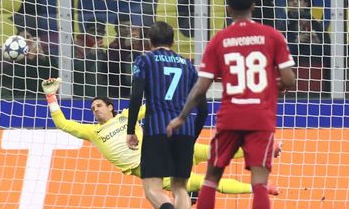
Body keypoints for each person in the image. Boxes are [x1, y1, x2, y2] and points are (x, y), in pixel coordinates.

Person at [167, 0, 296, 209]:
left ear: (227, 10)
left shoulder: (220, 40)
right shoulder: (272, 36)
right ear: (254, 6)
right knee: (259, 183)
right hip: (260, 118)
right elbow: (289, 78)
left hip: (230, 117)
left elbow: (201, 88)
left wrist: (181, 116)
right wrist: (272, 88)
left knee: (211, 179)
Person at [41, 78, 280, 195]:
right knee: (204, 183)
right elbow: (63, 124)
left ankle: (266, 150)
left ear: (110, 107)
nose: (95, 110)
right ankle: (258, 188)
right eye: (93, 109)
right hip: (152, 170)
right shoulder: (92, 132)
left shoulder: (127, 116)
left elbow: (154, 105)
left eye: (99, 106)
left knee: (214, 152)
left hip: (162, 150)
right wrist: (51, 97)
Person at [125, 21, 207, 209]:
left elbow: (136, 94)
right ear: (173, 41)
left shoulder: (145, 60)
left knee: (152, 187)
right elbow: (203, 109)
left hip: (157, 128)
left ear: (150, 42)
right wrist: (192, 136)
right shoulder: (189, 67)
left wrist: (131, 129)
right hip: (185, 130)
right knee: (180, 187)